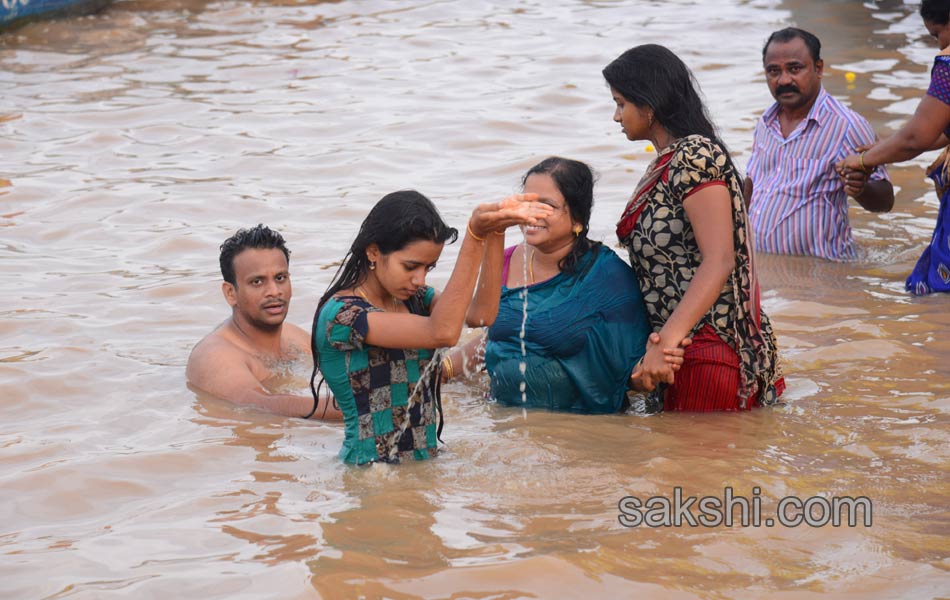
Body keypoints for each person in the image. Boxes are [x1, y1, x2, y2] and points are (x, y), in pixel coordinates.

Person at [603, 43, 785, 411]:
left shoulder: (694, 155)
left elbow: (719, 260)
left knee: (698, 468)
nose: (616, 116)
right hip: (682, 352)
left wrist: (665, 343)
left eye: (621, 103)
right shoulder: (666, 163)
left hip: (706, 348)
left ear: (648, 105)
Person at [312, 190, 552, 464]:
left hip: (424, 468)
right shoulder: (343, 315)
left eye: (428, 268)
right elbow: (444, 332)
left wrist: (494, 233)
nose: (419, 279)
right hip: (370, 474)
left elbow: (481, 316)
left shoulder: (415, 299)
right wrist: (473, 235)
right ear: (374, 252)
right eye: (411, 266)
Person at [442, 157, 686, 414]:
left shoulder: (606, 276)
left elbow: (627, 367)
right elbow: (499, 334)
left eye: (546, 205)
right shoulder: (504, 259)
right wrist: (444, 370)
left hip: (576, 429)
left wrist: (646, 372)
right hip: (505, 420)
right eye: (528, 203)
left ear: (577, 220)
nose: (532, 214)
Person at [745, 27, 895, 260]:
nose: (783, 80)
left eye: (795, 69)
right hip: (764, 271)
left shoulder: (847, 126)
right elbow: (754, 186)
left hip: (821, 280)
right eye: (773, 71)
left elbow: (885, 200)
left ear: (818, 68)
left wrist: (860, 188)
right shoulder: (765, 123)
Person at [837, 0, 950, 295]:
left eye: (936, 34)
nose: (938, 45)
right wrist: (883, 148)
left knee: (937, 295)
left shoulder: (949, 65)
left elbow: (917, 137)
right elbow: (942, 131)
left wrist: (863, 160)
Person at [186, 224, 341, 420]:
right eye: (257, 282)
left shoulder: (294, 336)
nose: (275, 291)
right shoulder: (215, 356)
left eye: (280, 277)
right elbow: (261, 405)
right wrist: (357, 410)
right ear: (230, 293)